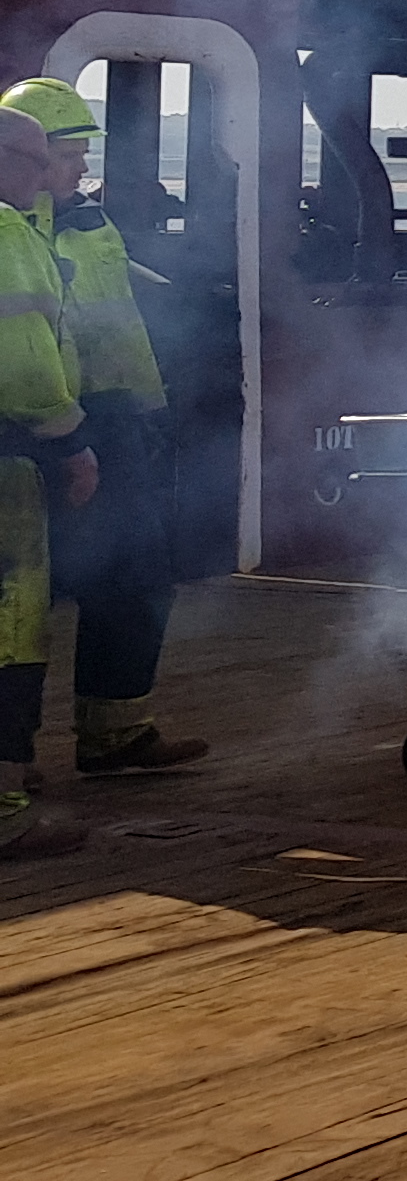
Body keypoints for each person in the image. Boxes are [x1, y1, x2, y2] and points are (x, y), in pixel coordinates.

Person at [2, 78, 203, 777]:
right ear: (29, 157)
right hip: (46, 430)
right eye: (71, 153)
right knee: (23, 605)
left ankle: (117, 729)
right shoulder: (17, 231)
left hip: (108, 423)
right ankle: (13, 766)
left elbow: (119, 329)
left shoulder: (91, 224)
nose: (84, 167)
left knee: (138, 576)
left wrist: (147, 411)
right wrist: (65, 431)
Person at [0, 105, 98, 857]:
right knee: (11, 624)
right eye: (36, 162)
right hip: (7, 458)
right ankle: (5, 799)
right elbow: (28, 366)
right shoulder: (6, 235)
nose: (46, 176)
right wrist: (73, 441)